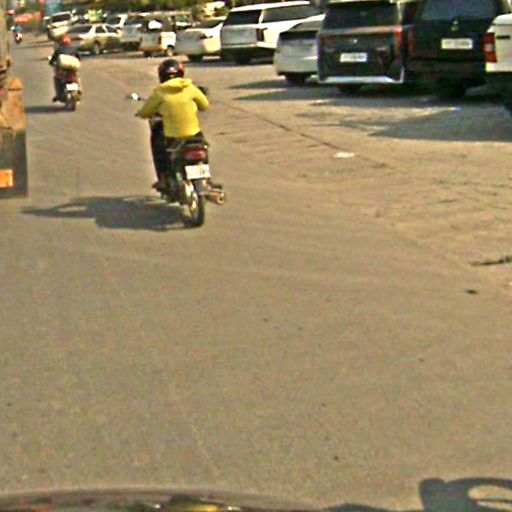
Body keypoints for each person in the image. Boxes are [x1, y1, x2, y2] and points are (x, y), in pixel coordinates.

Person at [136, 58, 210, 191]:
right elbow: (205, 105)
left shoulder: (160, 93)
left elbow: (146, 112)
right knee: (202, 147)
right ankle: (207, 180)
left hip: (173, 136)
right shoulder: (190, 88)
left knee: (160, 149)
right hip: (194, 133)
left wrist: (140, 113)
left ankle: (164, 179)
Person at [49, 35, 80, 102]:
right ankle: (79, 90)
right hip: (72, 70)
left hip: (62, 71)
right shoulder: (74, 49)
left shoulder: (58, 50)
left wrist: (52, 63)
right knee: (77, 78)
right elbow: (78, 58)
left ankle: (58, 94)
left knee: (57, 79)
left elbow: (52, 61)